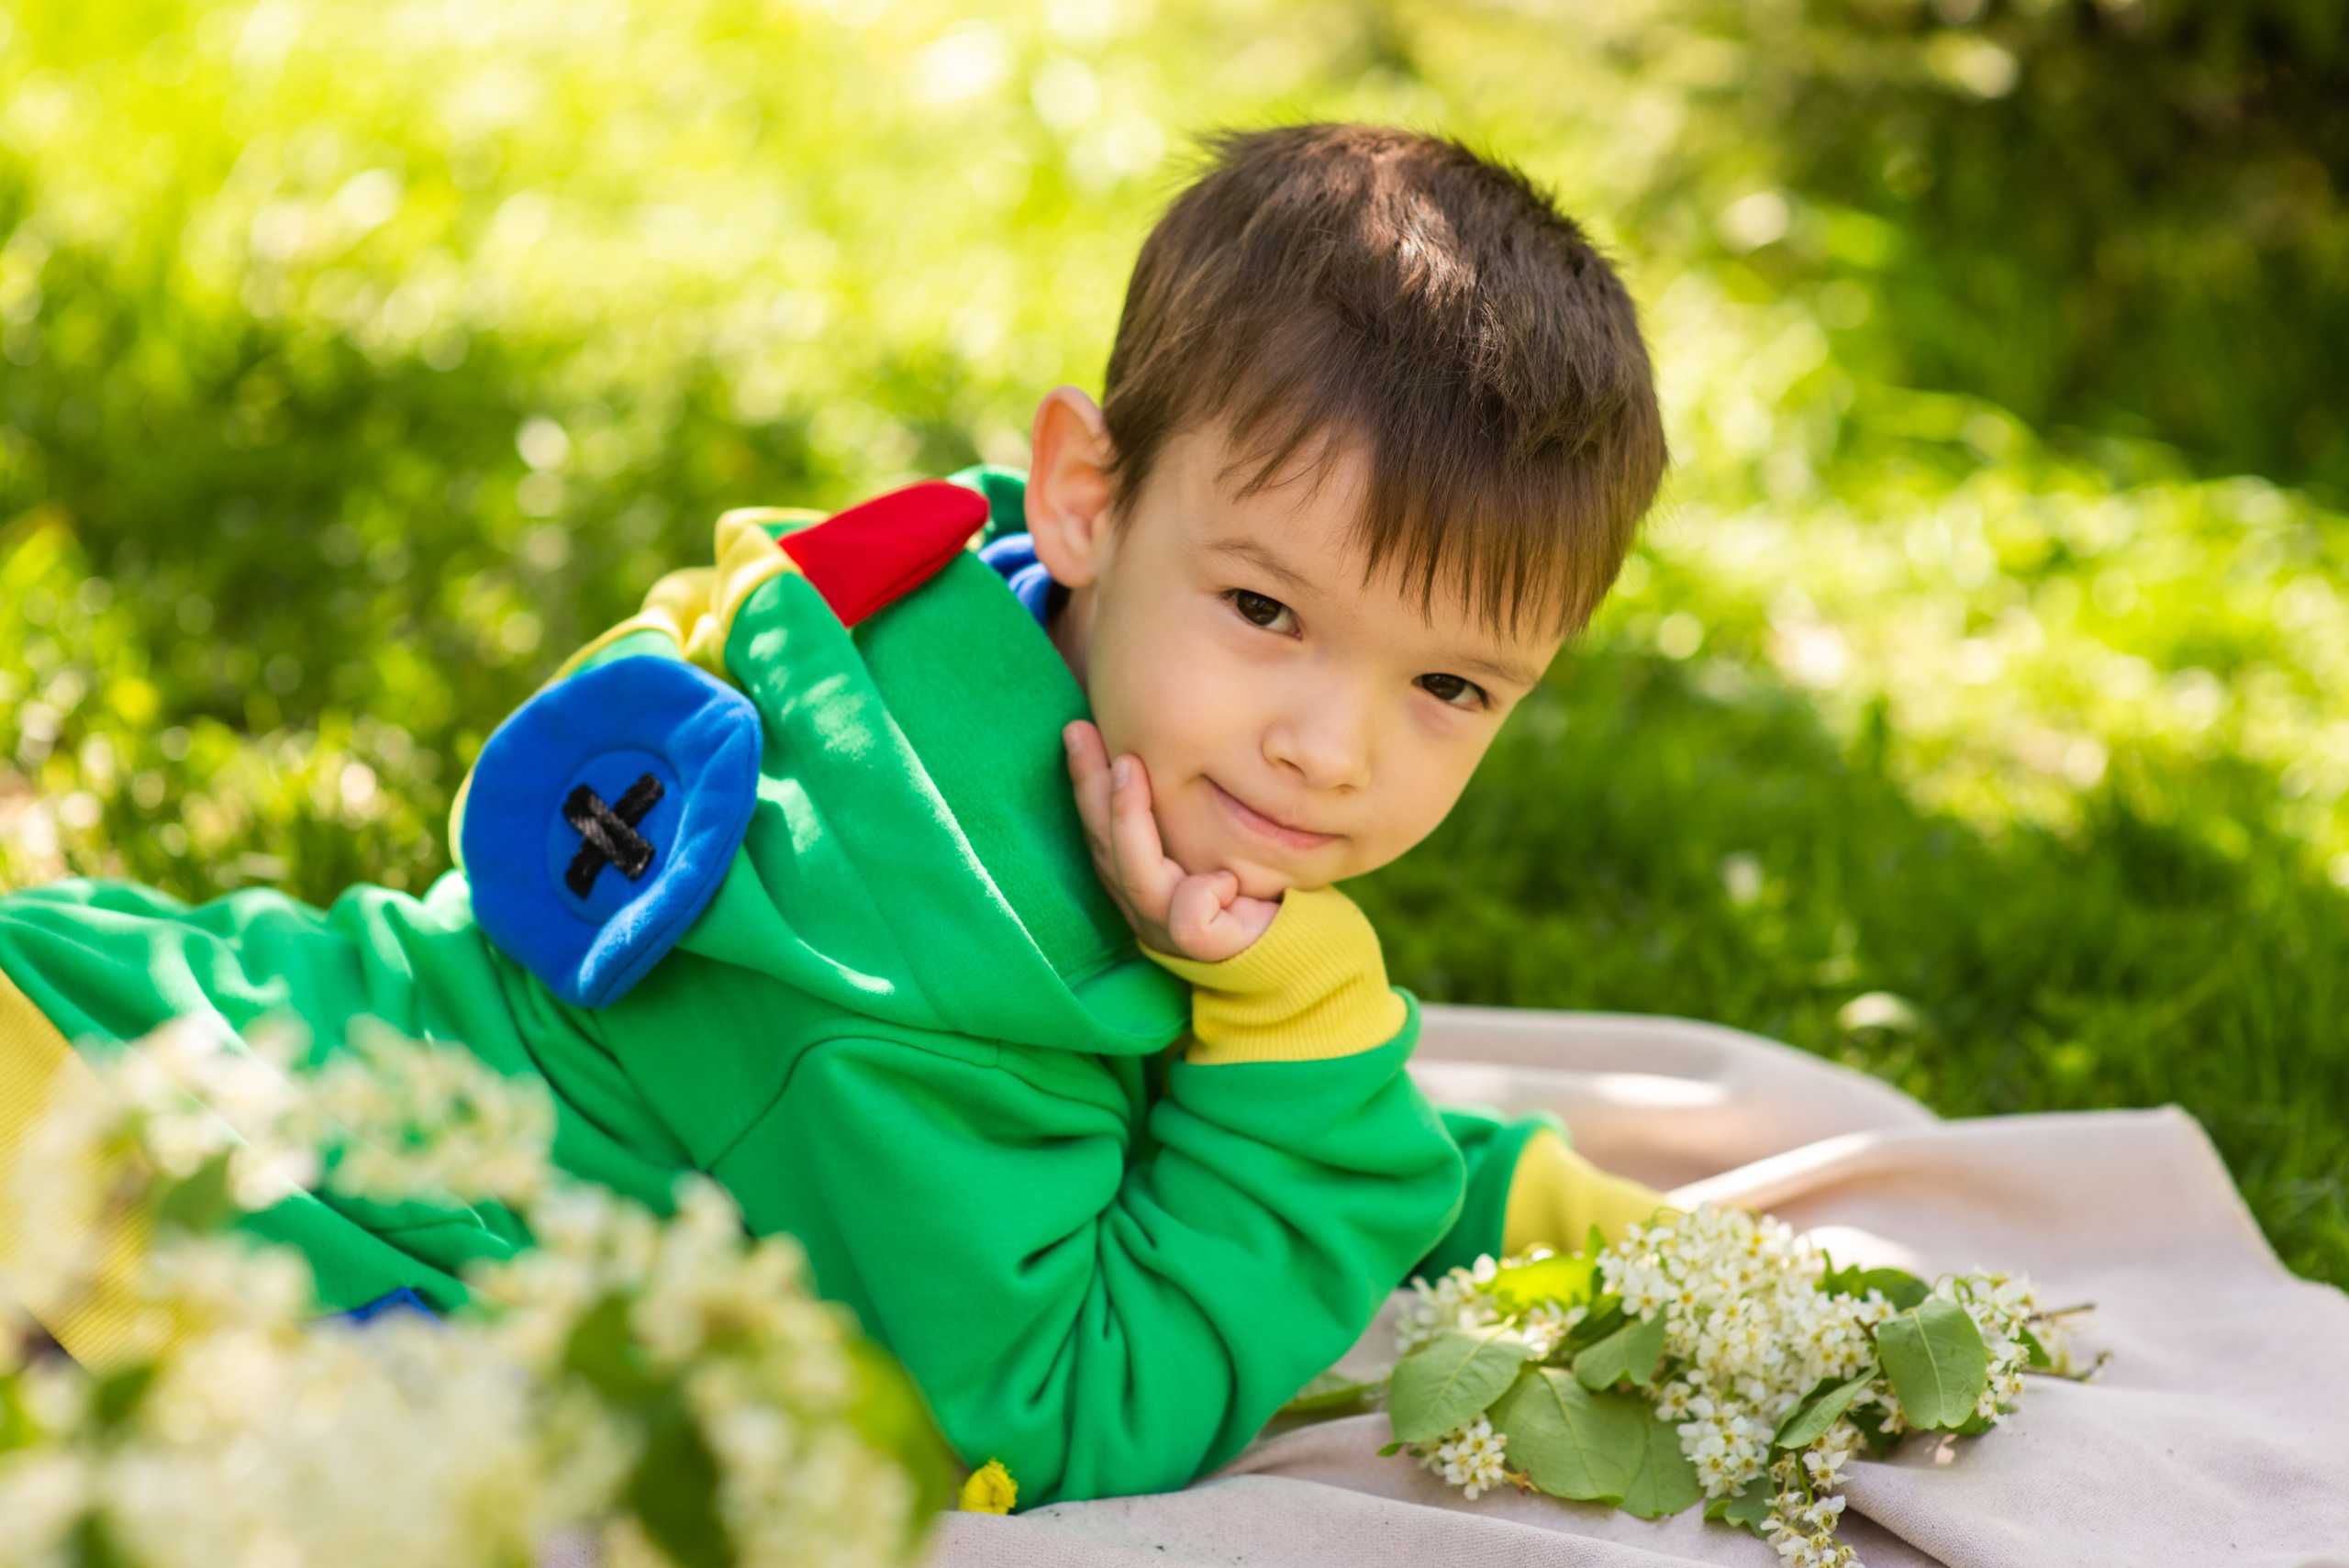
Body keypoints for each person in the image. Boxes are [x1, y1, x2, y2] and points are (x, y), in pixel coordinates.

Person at [0, 124, 1670, 1504]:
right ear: (1091, 495)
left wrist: (1516, 1201)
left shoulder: (964, 638)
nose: (1331, 748)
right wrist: (1299, 1024)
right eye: (1266, 612)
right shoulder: (925, 954)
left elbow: (1162, 1111)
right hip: (141, 1197)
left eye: (1449, 689)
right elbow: (1057, 1411)